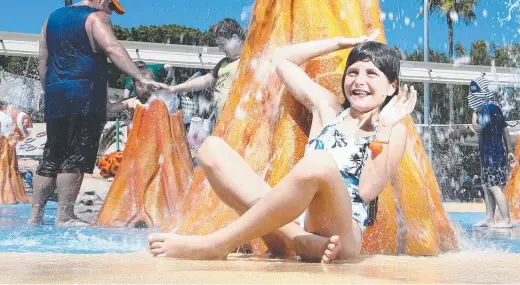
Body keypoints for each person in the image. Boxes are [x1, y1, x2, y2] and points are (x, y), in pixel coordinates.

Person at [148, 33, 416, 263]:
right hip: (300, 221)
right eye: (353, 72)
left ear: (392, 87)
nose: (359, 81)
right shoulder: (328, 109)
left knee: (320, 162)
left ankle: (218, 243)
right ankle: (293, 240)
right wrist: (342, 42)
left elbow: (368, 190)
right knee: (211, 149)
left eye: (372, 74)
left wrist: (384, 129)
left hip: (342, 235)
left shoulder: (393, 130)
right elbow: (280, 58)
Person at [30, 0, 165, 226]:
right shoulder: (97, 17)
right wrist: (138, 76)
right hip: (85, 94)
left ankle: (34, 218)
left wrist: (50, 90)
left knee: (52, 154)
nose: (111, 13)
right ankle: (65, 216)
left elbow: (43, 58)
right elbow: (112, 48)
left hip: (55, 94)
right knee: (75, 155)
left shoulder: (52, 18)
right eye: (111, 7)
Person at [169, 18, 245, 124]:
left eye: (222, 44)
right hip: (220, 125)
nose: (220, 49)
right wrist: (176, 88)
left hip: (240, 123)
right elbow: (204, 81)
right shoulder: (223, 63)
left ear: (235, 38)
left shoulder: (249, 59)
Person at [468, 76, 514, 228]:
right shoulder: (496, 108)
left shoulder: (485, 109)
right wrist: (510, 150)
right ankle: (489, 218)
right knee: (487, 186)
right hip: (492, 154)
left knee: (494, 187)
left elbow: (477, 128)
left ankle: (506, 220)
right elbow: (505, 130)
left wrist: (473, 114)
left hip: (492, 156)